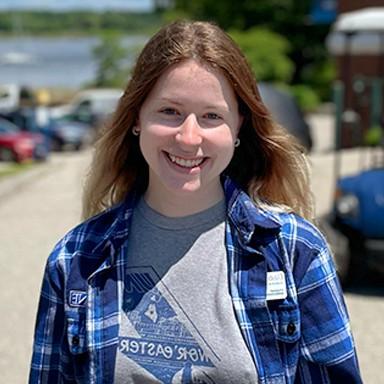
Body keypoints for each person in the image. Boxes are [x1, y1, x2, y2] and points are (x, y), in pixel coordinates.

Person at [29, 20, 362, 384]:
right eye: (170, 111)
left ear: (238, 128)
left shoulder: (295, 252)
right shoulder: (75, 260)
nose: (189, 138)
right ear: (137, 117)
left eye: (211, 116)